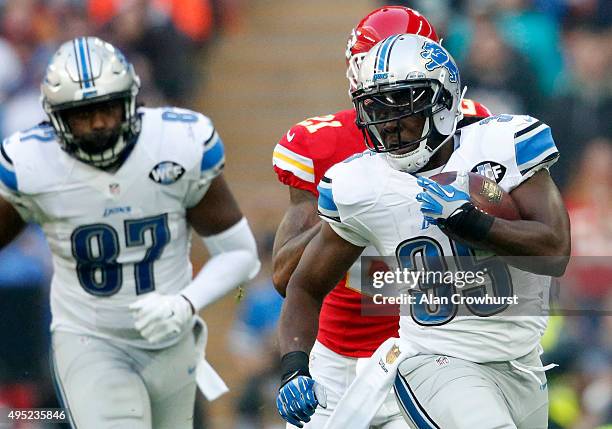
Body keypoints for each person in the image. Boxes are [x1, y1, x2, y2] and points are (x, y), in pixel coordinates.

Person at [276, 34, 570, 429]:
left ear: (442, 101)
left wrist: (473, 222)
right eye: (377, 108)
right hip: (434, 364)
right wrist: (295, 366)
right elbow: (305, 284)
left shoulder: (500, 147)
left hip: (522, 363)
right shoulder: (363, 185)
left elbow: (556, 251)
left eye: (402, 106)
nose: (390, 125)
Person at [0, 36, 260, 428]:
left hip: (170, 340)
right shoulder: (31, 162)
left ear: (132, 100)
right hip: (89, 337)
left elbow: (240, 254)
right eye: (81, 114)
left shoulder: (178, 143)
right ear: (54, 118)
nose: (99, 123)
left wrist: (186, 303)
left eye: (106, 108)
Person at [272, 6, 491, 428]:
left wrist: (477, 197)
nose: (394, 98)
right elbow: (286, 276)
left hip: (433, 347)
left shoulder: (474, 128)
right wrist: (352, 206)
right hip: (338, 352)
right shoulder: (322, 145)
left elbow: (512, 222)